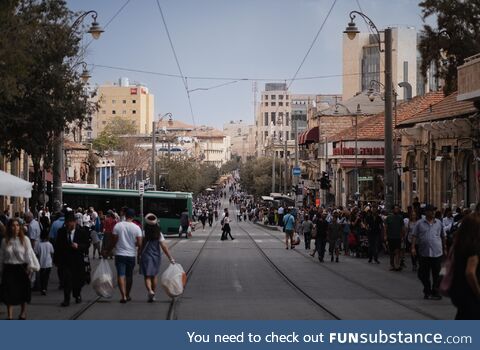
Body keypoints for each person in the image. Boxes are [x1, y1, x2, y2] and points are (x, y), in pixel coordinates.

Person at [0, 218, 40, 320]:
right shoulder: (5, 241)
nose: (15, 228)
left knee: (22, 292)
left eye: (17, 225)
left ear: (20, 227)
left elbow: (29, 254)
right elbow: (2, 256)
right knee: (8, 292)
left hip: (21, 269)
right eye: (13, 225)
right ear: (9, 227)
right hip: (9, 269)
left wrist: (30, 267)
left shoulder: (25, 239)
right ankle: (9, 316)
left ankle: (23, 313)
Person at [106, 208, 142, 303]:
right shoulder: (137, 228)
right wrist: (138, 253)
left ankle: (123, 296)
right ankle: (128, 294)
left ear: (125, 216)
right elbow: (140, 243)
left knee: (121, 275)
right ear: (133, 217)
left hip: (120, 254)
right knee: (129, 276)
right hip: (131, 255)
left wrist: (107, 251)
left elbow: (113, 241)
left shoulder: (118, 226)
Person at [411, 205, 446, 300]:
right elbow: (414, 235)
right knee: (422, 273)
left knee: (439, 273)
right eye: (431, 211)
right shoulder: (419, 223)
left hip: (437, 252)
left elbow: (443, 236)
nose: (433, 213)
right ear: (426, 212)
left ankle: (435, 291)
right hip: (424, 253)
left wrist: (445, 248)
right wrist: (413, 247)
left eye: (434, 211)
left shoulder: (439, 223)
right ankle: (427, 289)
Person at [55, 211, 90, 306]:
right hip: (65, 261)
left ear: (75, 223)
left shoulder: (81, 232)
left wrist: (78, 246)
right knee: (66, 280)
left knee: (78, 281)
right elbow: (57, 246)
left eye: (71, 223)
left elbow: (87, 245)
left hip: (77, 261)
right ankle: (66, 299)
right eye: (68, 223)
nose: (69, 225)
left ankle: (77, 295)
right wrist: (56, 260)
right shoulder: (61, 232)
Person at [449, 214, 480, 319]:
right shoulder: (474, 247)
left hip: (458, 289)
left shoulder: (458, 245)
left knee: (462, 316)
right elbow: (470, 272)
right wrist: (478, 292)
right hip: (470, 293)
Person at [139, 214, 175, 302]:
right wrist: (170, 257)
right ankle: (153, 293)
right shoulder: (158, 233)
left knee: (147, 276)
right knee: (154, 275)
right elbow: (164, 246)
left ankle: (150, 291)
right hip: (156, 256)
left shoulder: (144, 233)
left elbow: (140, 245)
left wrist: (138, 255)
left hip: (146, 255)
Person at [385, 205, 405, 271]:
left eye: (397, 208)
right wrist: (385, 235)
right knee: (391, 252)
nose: (397, 210)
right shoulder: (388, 217)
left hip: (398, 237)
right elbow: (386, 227)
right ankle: (392, 264)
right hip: (390, 237)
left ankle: (397, 265)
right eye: (395, 209)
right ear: (393, 210)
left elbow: (402, 227)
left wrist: (402, 236)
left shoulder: (400, 217)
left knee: (397, 251)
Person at [34, 230, 54, 295]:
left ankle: (42, 288)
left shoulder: (38, 245)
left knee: (41, 277)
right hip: (48, 263)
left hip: (41, 263)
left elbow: (36, 254)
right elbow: (52, 253)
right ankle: (45, 288)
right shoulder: (49, 244)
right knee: (46, 277)